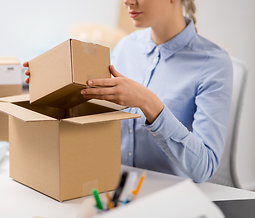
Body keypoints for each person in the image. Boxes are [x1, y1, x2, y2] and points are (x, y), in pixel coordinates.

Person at [23, 0, 233, 183]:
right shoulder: (126, 47)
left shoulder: (213, 64)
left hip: (169, 198)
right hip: (113, 187)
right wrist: (51, 83)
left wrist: (149, 103)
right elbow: (97, 111)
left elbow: (205, 168)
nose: (127, 1)